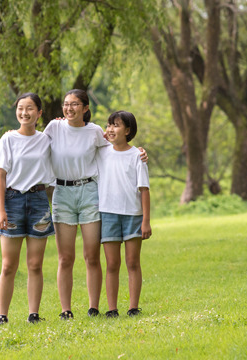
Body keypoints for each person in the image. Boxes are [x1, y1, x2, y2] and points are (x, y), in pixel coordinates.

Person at [43, 89, 147, 320]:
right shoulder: (53, 127)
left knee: (91, 255)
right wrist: (14, 134)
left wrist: (139, 153)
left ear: (85, 108)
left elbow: (118, 147)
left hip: (90, 192)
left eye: (75, 104)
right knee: (65, 257)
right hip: (62, 193)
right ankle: (66, 309)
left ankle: (93, 307)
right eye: (66, 104)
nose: (69, 108)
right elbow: (35, 144)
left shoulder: (95, 132)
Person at [0, 92, 55, 325]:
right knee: (8, 265)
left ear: (39, 113)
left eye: (30, 109)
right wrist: (1, 211)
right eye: (20, 108)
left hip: (39, 201)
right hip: (13, 201)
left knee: (35, 264)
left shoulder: (47, 139)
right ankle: (2, 316)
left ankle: (33, 314)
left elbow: (74, 136)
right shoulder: (7, 140)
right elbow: (1, 177)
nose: (24, 113)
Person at [96, 110, 151, 318]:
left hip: (133, 215)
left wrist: (146, 220)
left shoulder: (137, 155)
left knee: (132, 262)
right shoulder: (101, 152)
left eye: (116, 125)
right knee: (111, 264)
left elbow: (144, 189)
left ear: (128, 131)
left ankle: (133, 307)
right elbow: (82, 139)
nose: (111, 129)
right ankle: (112, 309)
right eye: (109, 125)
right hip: (108, 213)